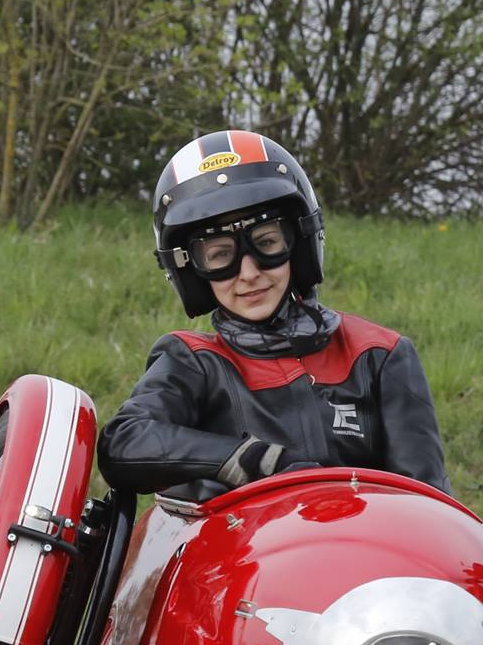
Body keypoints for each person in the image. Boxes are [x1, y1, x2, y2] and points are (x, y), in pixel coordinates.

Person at [97, 130, 449, 498]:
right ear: (190, 270)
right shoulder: (192, 361)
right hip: (237, 536)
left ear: (300, 241)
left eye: (266, 243)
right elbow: (123, 442)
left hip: (361, 535)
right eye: (220, 255)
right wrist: (250, 460)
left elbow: (428, 504)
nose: (248, 272)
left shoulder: (378, 353)